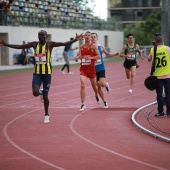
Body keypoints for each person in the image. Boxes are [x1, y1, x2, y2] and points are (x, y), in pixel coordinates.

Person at [0, 30, 83, 123]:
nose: (40, 37)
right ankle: (41, 92)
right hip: (37, 74)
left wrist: (75, 40)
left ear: (46, 36)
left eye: (42, 35)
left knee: (46, 95)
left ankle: (46, 114)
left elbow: (63, 43)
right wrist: (6, 44)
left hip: (47, 74)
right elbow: (20, 46)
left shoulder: (50, 44)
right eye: (39, 35)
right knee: (35, 92)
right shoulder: (34, 44)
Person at [91, 32, 119, 108]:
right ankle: (105, 102)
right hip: (93, 70)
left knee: (102, 84)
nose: (93, 38)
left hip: (101, 68)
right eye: (92, 37)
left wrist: (114, 54)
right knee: (97, 87)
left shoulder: (101, 47)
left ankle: (106, 85)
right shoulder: (89, 48)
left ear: (97, 38)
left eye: (94, 37)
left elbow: (107, 54)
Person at [75, 31, 100, 111]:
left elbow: (98, 56)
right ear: (84, 37)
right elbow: (80, 56)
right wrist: (77, 58)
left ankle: (96, 94)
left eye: (89, 35)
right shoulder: (81, 46)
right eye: (86, 35)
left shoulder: (93, 46)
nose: (87, 37)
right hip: (83, 69)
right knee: (82, 85)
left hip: (91, 70)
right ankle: (83, 104)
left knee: (94, 87)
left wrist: (90, 58)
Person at [148, 35, 170, 117]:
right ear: (162, 41)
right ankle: (169, 112)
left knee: (159, 95)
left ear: (155, 42)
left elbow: (149, 59)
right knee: (168, 94)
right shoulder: (167, 48)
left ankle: (160, 112)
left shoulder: (153, 49)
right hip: (167, 75)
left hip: (157, 76)